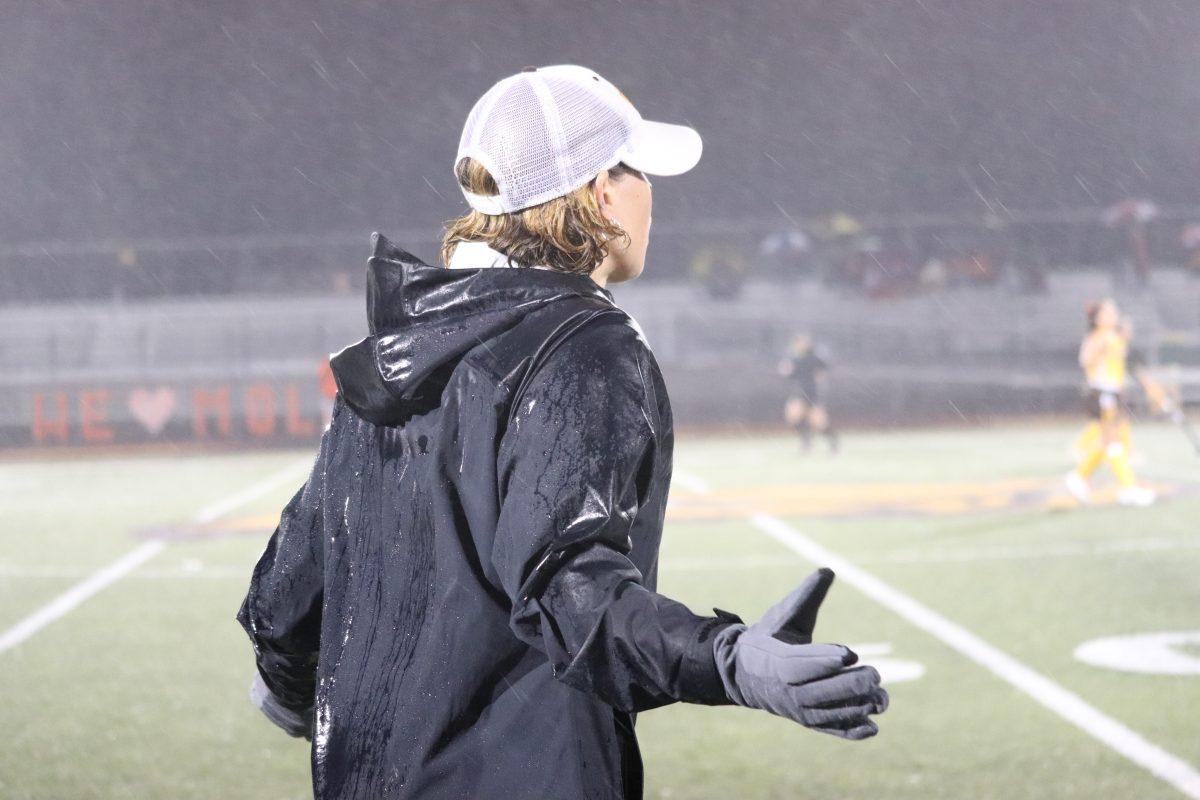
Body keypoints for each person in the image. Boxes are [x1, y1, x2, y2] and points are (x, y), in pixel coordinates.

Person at [237, 65, 887, 800]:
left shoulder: (400, 347)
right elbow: (566, 589)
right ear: (599, 192)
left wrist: (290, 686)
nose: (651, 195)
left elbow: (289, 585)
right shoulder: (583, 343)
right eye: (637, 170)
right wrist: (727, 659)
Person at [1065, 299, 1156, 507]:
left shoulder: (1113, 337)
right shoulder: (1098, 337)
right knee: (1113, 442)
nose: (1114, 315)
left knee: (1110, 442)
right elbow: (1085, 360)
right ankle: (1128, 487)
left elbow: (1121, 364)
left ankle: (1080, 476)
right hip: (1102, 393)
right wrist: (1100, 351)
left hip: (1113, 393)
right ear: (1098, 319)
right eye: (1109, 312)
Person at [779, 334, 838, 453]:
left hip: (813, 393)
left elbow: (825, 368)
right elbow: (790, 373)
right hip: (800, 392)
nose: (799, 345)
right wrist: (786, 370)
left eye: (801, 342)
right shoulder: (795, 358)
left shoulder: (814, 356)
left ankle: (833, 442)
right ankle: (806, 442)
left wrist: (821, 375)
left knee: (819, 423)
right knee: (793, 416)